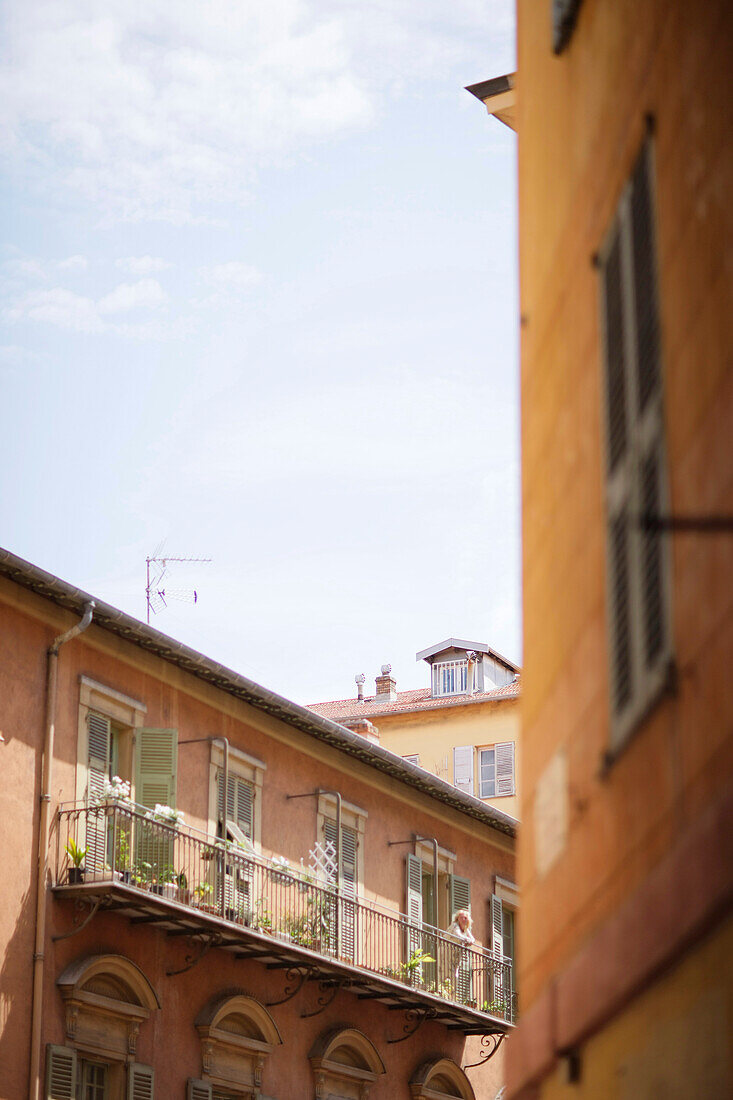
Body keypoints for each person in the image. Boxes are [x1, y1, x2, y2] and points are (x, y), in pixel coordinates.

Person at [448, 909, 477, 1002]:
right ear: (457, 918)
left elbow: (472, 939)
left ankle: (452, 995)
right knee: (447, 971)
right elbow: (458, 935)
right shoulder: (455, 926)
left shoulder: (465, 929)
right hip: (447, 951)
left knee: (455, 973)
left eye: (465, 917)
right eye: (461, 917)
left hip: (456, 954)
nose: (463, 919)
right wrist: (467, 940)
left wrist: (470, 940)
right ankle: (446, 993)